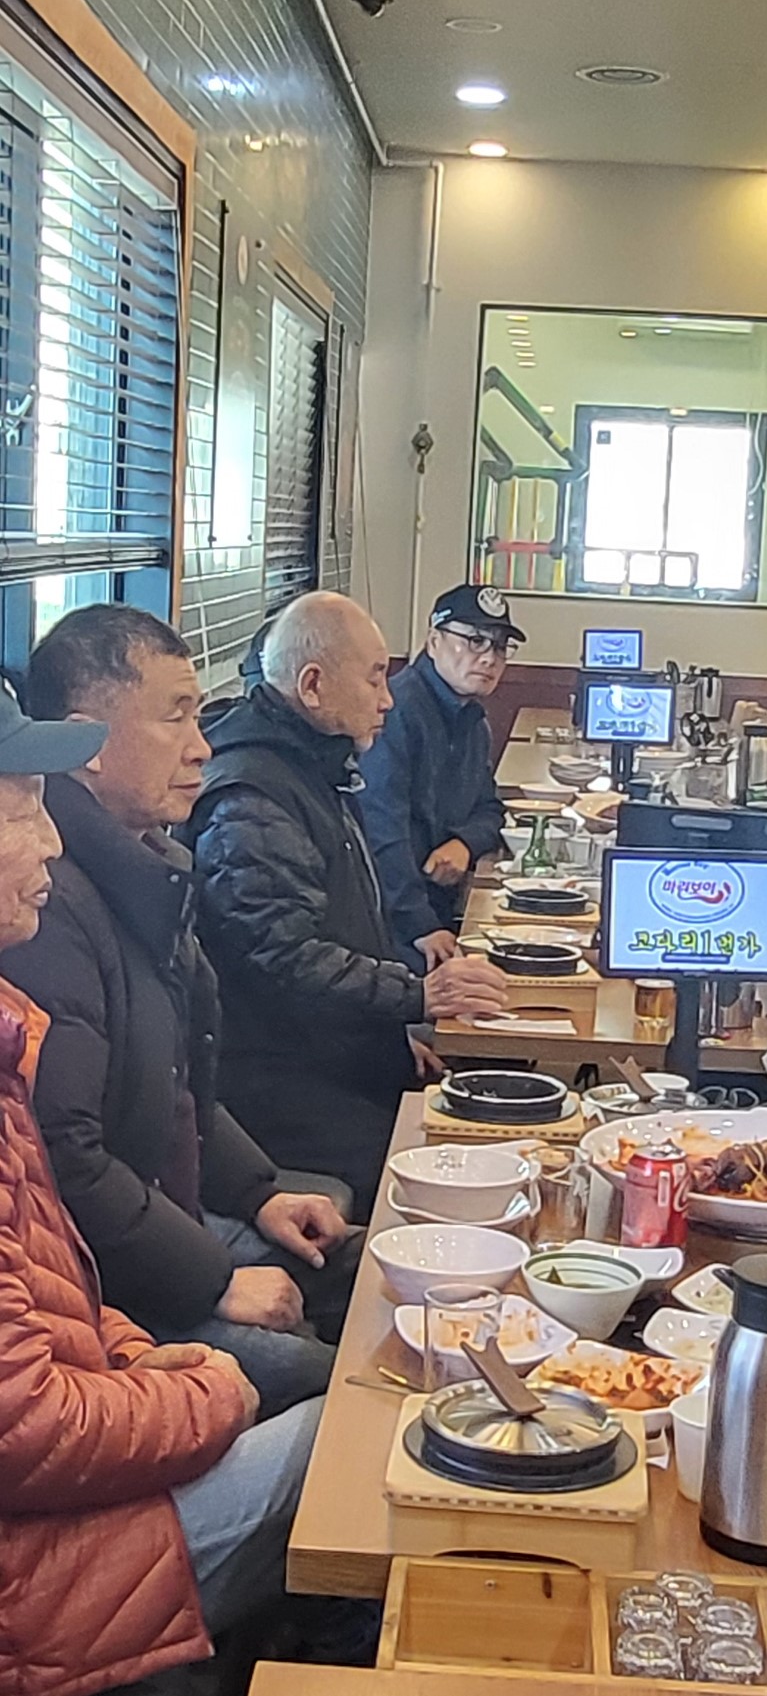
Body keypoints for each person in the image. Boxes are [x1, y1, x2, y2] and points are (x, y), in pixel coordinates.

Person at [0, 680, 322, 1696]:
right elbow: (23, 1430)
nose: (51, 840)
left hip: (76, 1456)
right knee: (352, 1436)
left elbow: (58, 1289)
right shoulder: (58, 938)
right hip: (37, 1572)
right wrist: (207, 1391)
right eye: (21, 810)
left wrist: (143, 1360)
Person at [3, 608, 355, 1416]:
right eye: (175, 717)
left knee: (362, 1265)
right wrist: (215, 1279)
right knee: (329, 1390)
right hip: (115, 1280)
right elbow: (67, 1160)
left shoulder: (150, 862)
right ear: (88, 744)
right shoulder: (41, 911)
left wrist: (258, 1191)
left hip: (167, 1217)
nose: (201, 746)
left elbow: (180, 1086)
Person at [187, 593, 509, 1209]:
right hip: (271, 1087)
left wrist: (390, 1035)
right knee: (436, 1175)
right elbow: (287, 959)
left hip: (330, 1056)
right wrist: (416, 996)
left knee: (475, 1128)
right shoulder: (253, 798)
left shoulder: (313, 764)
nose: (387, 699)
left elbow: (346, 922)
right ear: (312, 685)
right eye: (374, 678)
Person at [359, 585, 519, 969]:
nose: (489, 658)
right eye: (475, 641)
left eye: (500, 647)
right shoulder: (395, 713)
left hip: (440, 904)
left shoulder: (472, 721)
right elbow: (380, 831)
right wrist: (420, 925)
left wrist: (464, 843)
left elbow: (490, 810)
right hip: (389, 922)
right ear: (433, 642)